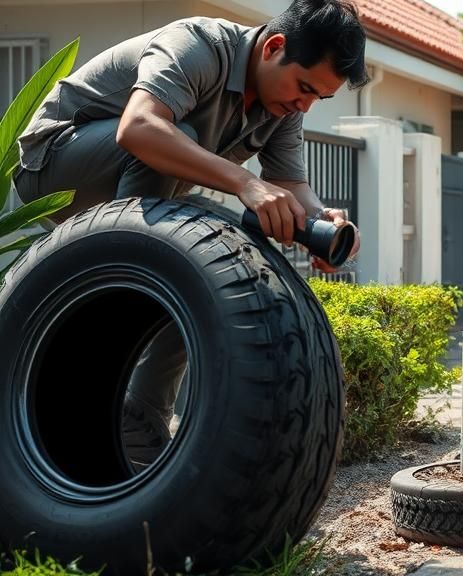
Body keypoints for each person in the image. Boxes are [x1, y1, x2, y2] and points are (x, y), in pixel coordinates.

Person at [13, 0, 368, 466]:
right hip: (55, 165)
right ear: (274, 47)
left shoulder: (282, 105)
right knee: (169, 129)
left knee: (221, 256)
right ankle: (101, 368)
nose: (303, 104)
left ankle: (141, 414)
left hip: (143, 188)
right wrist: (245, 182)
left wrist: (325, 221)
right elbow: (139, 129)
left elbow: (290, 184)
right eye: (303, 87)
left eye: (316, 98)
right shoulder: (198, 45)